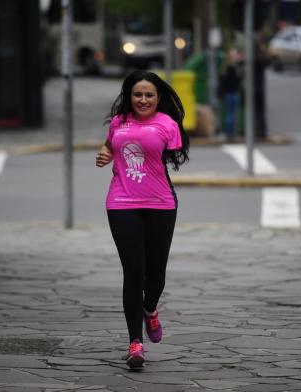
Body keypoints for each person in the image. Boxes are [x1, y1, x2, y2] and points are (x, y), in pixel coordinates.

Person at [95, 70, 189, 369]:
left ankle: (150, 309)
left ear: (158, 97)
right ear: (129, 96)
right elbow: (111, 144)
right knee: (133, 272)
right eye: (138, 94)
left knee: (155, 274)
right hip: (121, 202)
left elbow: (174, 153)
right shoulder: (118, 123)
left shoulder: (167, 124)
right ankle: (135, 343)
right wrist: (105, 152)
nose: (143, 100)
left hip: (160, 203)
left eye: (149, 95)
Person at [218, 47, 243, 142]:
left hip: (229, 93)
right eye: (234, 54)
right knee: (231, 115)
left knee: (230, 114)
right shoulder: (232, 68)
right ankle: (230, 133)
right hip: (232, 93)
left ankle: (230, 133)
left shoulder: (226, 67)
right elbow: (237, 79)